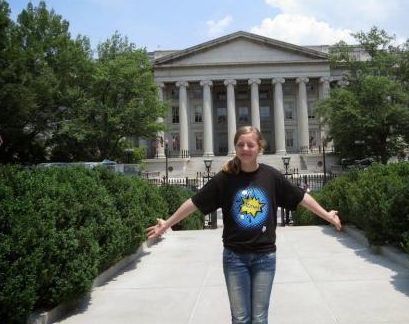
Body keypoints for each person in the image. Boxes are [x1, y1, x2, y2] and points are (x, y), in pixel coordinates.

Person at [146, 126, 342, 324]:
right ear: (235, 147)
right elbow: (194, 202)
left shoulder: (271, 176)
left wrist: (327, 215)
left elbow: (301, 197)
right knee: (240, 318)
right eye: (241, 144)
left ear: (259, 148)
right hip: (234, 258)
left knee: (259, 318)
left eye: (250, 144)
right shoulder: (224, 179)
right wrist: (166, 224)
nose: (245, 148)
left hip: (264, 256)